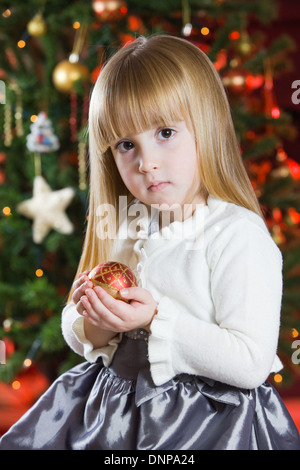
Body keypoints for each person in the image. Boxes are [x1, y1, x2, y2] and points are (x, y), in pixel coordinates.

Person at [1, 34, 299, 450]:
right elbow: (74, 326)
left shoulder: (236, 234)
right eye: (126, 145)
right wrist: (95, 322)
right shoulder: (124, 226)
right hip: (118, 414)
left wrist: (152, 319)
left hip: (207, 426)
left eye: (165, 132)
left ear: (207, 124)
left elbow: (249, 363)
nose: (146, 162)